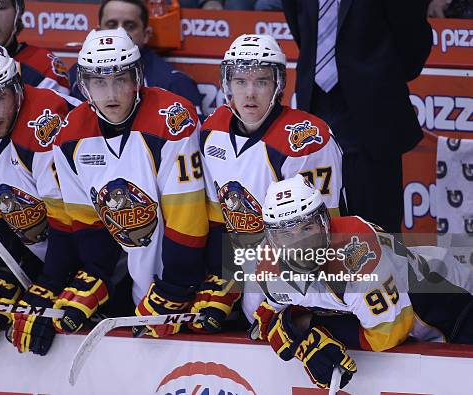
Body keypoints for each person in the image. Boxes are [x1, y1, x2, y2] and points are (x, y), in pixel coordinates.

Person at [9, 28, 208, 356]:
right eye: (100, 82)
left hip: (190, 282)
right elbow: (88, 225)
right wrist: (95, 277)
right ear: (85, 86)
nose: (111, 92)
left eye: (120, 79)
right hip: (133, 287)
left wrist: (176, 286)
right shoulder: (69, 135)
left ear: (137, 78)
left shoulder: (171, 118)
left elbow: (188, 217)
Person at [250, 175, 473, 390]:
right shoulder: (268, 266)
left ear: (324, 223)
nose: (301, 245)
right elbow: (268, 318)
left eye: (307, 228)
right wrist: (297, 331)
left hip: (447, 307)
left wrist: (313, 327)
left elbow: (386, 336)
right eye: (287, 235)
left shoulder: (357, 254)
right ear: (273, 239)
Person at [196, 34, 343, 332]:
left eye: (261, 81)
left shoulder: (306, 139)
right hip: (249, 269)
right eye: (240, 81)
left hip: (299, 272)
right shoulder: (212, 130)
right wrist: (226, 277)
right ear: (227, 84)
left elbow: (323, 235)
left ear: (278, 84)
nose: (250, 94)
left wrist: (296, 310)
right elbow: (219, 218)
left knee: (275, 331)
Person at [0, 43, 80, 350]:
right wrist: (3, 274)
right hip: (49, 249)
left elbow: (71, 222)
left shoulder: (45, 123)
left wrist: (49, 283)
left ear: (17, 88)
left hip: (103, 248)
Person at [282, 0, 433, 234]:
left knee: (377, 228)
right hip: (316, 104)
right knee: (317, 223)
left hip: (374, 111)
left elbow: (411, 36)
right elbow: (300, 23)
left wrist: (382, 75)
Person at [68, 0, 204, 117]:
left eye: (130, 26)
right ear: (98, 32)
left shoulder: (175, 82)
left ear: (146, 34)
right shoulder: (76, 75)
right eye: (111, 24)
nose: (120, 32)